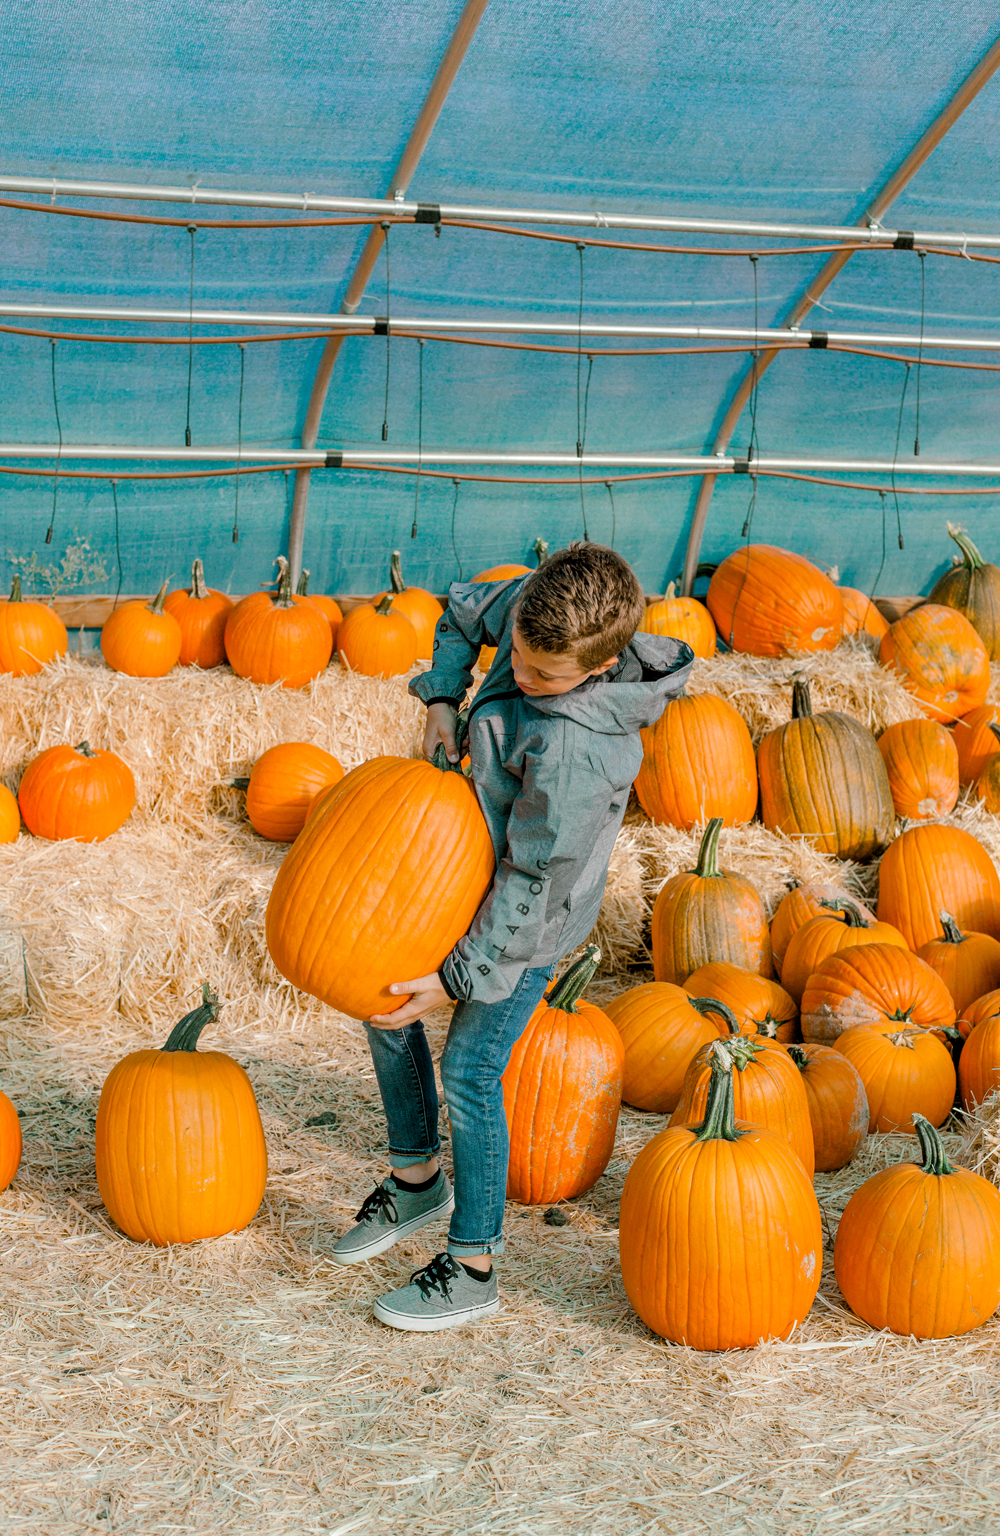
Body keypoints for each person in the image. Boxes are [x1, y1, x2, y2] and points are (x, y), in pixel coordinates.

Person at [332, 542, 693, 1330]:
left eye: (541, 676)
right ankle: (419, 1179)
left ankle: (474, 1265)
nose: (521, 677)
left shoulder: (577, 754)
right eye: (518, 659)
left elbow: (532, 885)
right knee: (380, 1002)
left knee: (468, 1070)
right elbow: (465, 610)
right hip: (461, 867)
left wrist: (457, 978)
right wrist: (440, 703)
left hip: (530, 920)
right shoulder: (535, 611)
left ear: (596, 671)